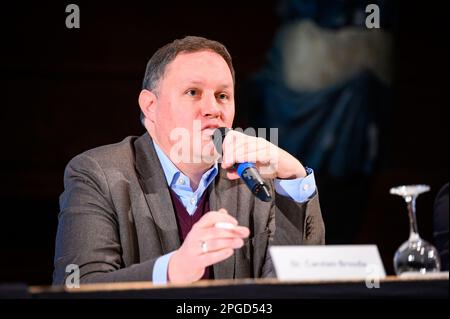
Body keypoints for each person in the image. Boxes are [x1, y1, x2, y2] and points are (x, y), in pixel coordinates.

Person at [52, 36, 325, 285]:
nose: (213, 109)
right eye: (193, 92)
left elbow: (295, 286)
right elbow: (79, 286)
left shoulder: (255, 179)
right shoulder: (97, 173)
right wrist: (173, 270)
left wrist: (293, 177)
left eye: (222, 96)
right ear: (150, 106)